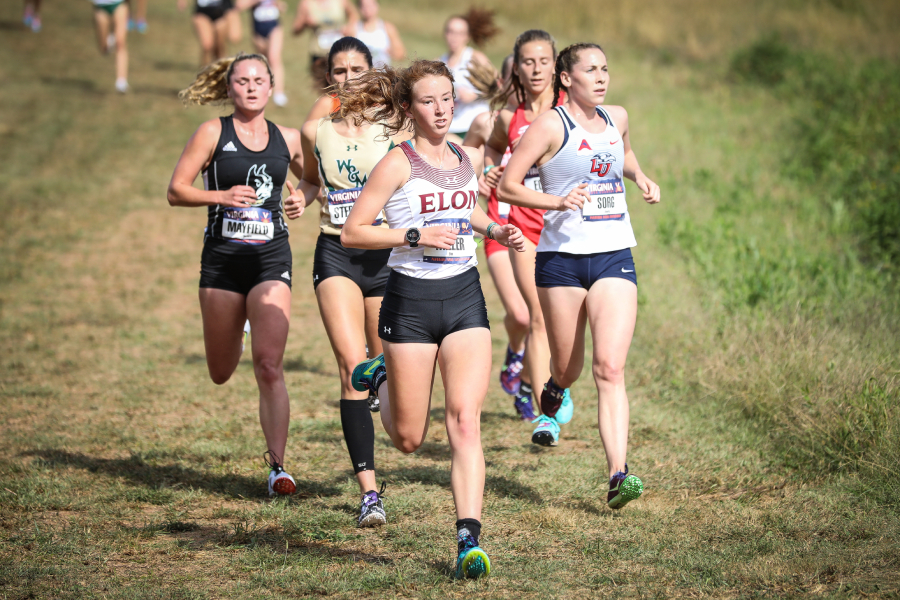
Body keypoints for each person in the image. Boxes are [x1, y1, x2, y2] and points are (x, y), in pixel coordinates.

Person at [319, 60, 525, 579]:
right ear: (409, 108)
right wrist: (412, 236)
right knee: (408, 439)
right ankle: (382, 373)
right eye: (429, 100)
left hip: (464, 299)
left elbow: (464, 213)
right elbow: (354, 233)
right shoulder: (396, 163)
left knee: (464, 420)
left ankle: (468, 538)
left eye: (447, 98)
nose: (441, 108)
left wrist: (494, 230)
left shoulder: (462, 155)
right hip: (408, 303)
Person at [498, 43, 660, 509]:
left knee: (610, 367)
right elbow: (511, 184)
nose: (602, 76)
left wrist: (641, 178)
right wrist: (557, 201)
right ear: (567, 78)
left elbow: (623, 156)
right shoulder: (550, 124)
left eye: (606, 68)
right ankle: (552, 387)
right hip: (561, 261)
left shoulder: (617, 117)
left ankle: (617, 474)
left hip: (613, 254)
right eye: (591, 69)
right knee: (568, 368)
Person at [167, 53, 305, 498]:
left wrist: (302, 198)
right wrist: (221, 195)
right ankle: (238, 329)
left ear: (270, 86)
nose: (250, 87)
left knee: (269, 365)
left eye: (258, 80)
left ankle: (278, 467)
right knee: (221, 371)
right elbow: (176, 190)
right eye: (241, 81)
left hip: (271, 261)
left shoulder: (288, 137)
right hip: (222, 264)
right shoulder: (212, 132)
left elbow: (316, 181)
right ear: (229, 88)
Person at [285, 37, 406, 528]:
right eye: (339, 70)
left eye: (358, 68)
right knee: (351, 366)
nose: (349, 78)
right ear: (328, 76)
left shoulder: (394, 126)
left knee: (384, 365)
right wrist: (301, 196)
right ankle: (369, 492)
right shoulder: (316, 129)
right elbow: (314, 182)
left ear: (371, 71)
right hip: (336, 251)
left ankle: (388, 393)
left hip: (383, 255)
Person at [483, 30, 575, 434]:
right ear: (516, 68)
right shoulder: (508, 118)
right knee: (534, 315)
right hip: (523, 227)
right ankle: (546, 414)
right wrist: (486, 171)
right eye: (527, 62)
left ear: (556, 66)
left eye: (543, 61)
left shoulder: (573, 112)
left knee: (564, 322)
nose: (536, 69)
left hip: (569, 228)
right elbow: (487, 149)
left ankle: (558, 382)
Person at [462, 56, 534, 418]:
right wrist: (481, 176)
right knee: (520, 315)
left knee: (539, 317)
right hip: (497, 227)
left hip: (536, 228)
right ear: (504, 81)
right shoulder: (485, 122)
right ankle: (515, 353)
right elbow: (460, 160)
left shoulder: (542, 123)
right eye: (515, 76)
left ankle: (525, 386)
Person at [438, 8, 498, 142]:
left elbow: (499, 86)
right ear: (445, 34)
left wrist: (475, 96)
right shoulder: (439, 63)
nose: (454, 37)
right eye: (451, 32)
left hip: (475, 125)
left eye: (460, 33)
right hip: (450, 127)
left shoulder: (475, 58)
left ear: (467, 36)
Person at [292, 0, 359, 90]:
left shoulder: (341, 1)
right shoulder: (306, 3)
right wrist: (305, 22)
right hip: (319, 56)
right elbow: (295, 30)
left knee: (343, 89)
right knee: (324, 92)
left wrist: (349, 27)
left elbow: (354, 14)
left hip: (340, 54)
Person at [238, 0, 289, 106]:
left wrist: (279, 5)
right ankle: (263, 91)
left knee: (274, 58)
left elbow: (283, 6)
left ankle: (279, 93)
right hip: (257, 29)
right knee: (263, 62)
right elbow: (239, 5)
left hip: (274, 26)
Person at [92, 0, 130, 93]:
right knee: (104, 48)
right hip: (101, 7)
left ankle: (121, 82)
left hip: (119, 4)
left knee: (120, 43)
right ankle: (109, 42)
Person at [353, 0, 405, 68]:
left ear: (377, 6)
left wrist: (392, 52)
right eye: (363, 6)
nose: (367, 9)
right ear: (359, 8)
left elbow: (401, 54)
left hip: (383, 75)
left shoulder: (387, 28)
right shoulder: (353, 28)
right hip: (363, 76)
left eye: (370, 6)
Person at [178, 0, 229, 67]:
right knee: (207, 45)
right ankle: (205, 74)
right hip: (201, 12)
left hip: (220, 12)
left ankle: (222, 72)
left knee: (219, 48)